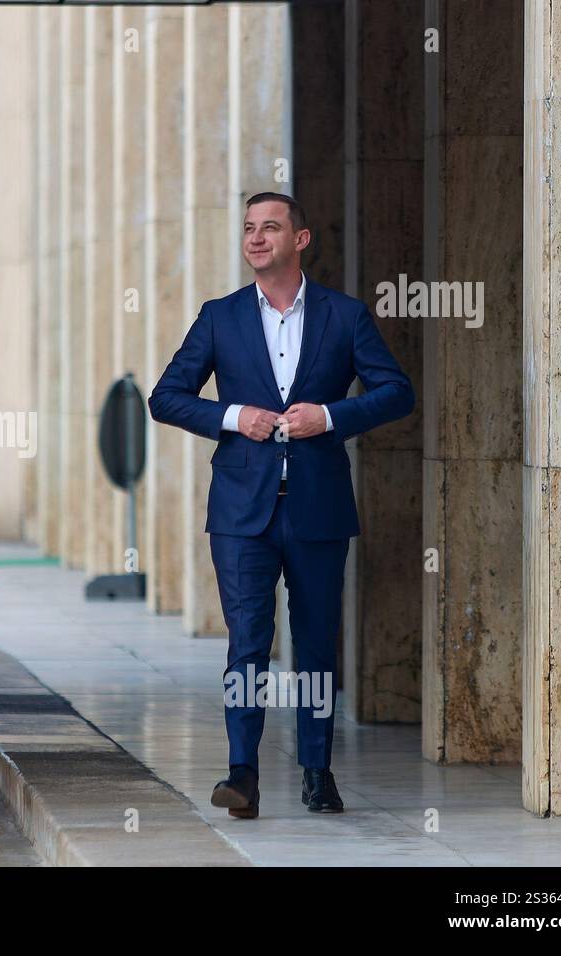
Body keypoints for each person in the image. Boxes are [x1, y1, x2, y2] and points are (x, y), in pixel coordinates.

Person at [147, 192, 415, 818]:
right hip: (242, 513)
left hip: (317, 509)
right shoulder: (220, 317)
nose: (256, 238)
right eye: (248, 228)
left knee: (316, 645)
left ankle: (317, 771)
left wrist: (329, 416)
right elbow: (167, 397)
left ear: (301, 240)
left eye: (270, 227)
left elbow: (397, 393)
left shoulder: (344, 317)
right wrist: (237, 416)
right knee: (246, 643)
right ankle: (242, 773)